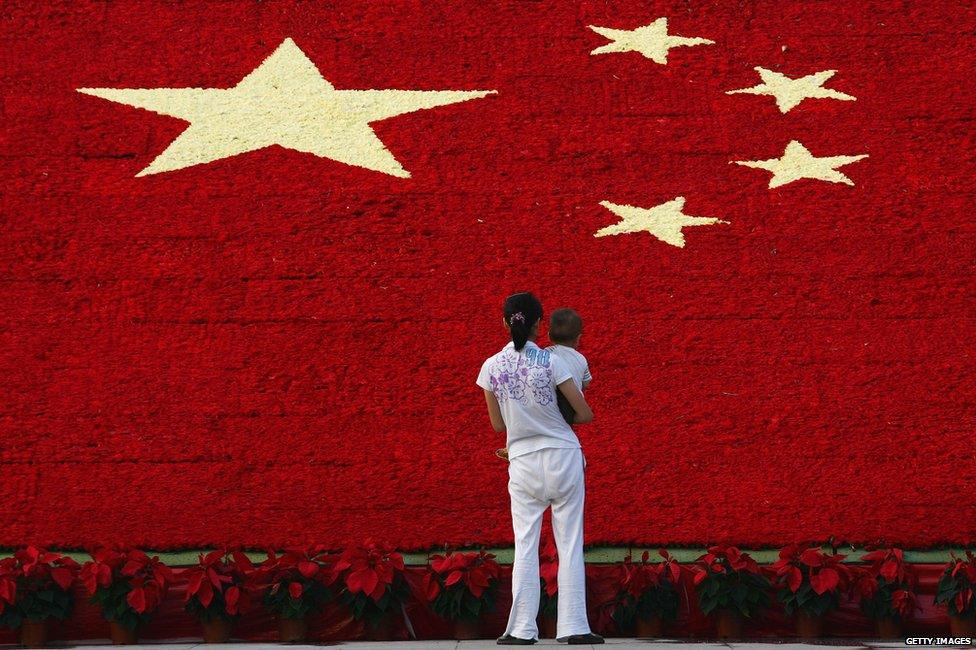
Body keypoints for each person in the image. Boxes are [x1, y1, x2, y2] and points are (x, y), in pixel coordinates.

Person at [476, 292, 604, 646]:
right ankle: (573, 626)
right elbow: (584, 412)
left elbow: (498, 427)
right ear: (538, 325)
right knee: (569, 542)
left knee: (525, 544)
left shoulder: (490, 367)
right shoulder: (553, 362)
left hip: (522, 462)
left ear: (505, 323)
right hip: (563, 456)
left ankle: (519, 629)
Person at [495, 307, 592, 460]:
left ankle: (511, 447)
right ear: (578, 338)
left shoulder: (546, 355)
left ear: (548, 335)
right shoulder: (581, 359)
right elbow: (586, 383)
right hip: (572, 410)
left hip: (552, 409)